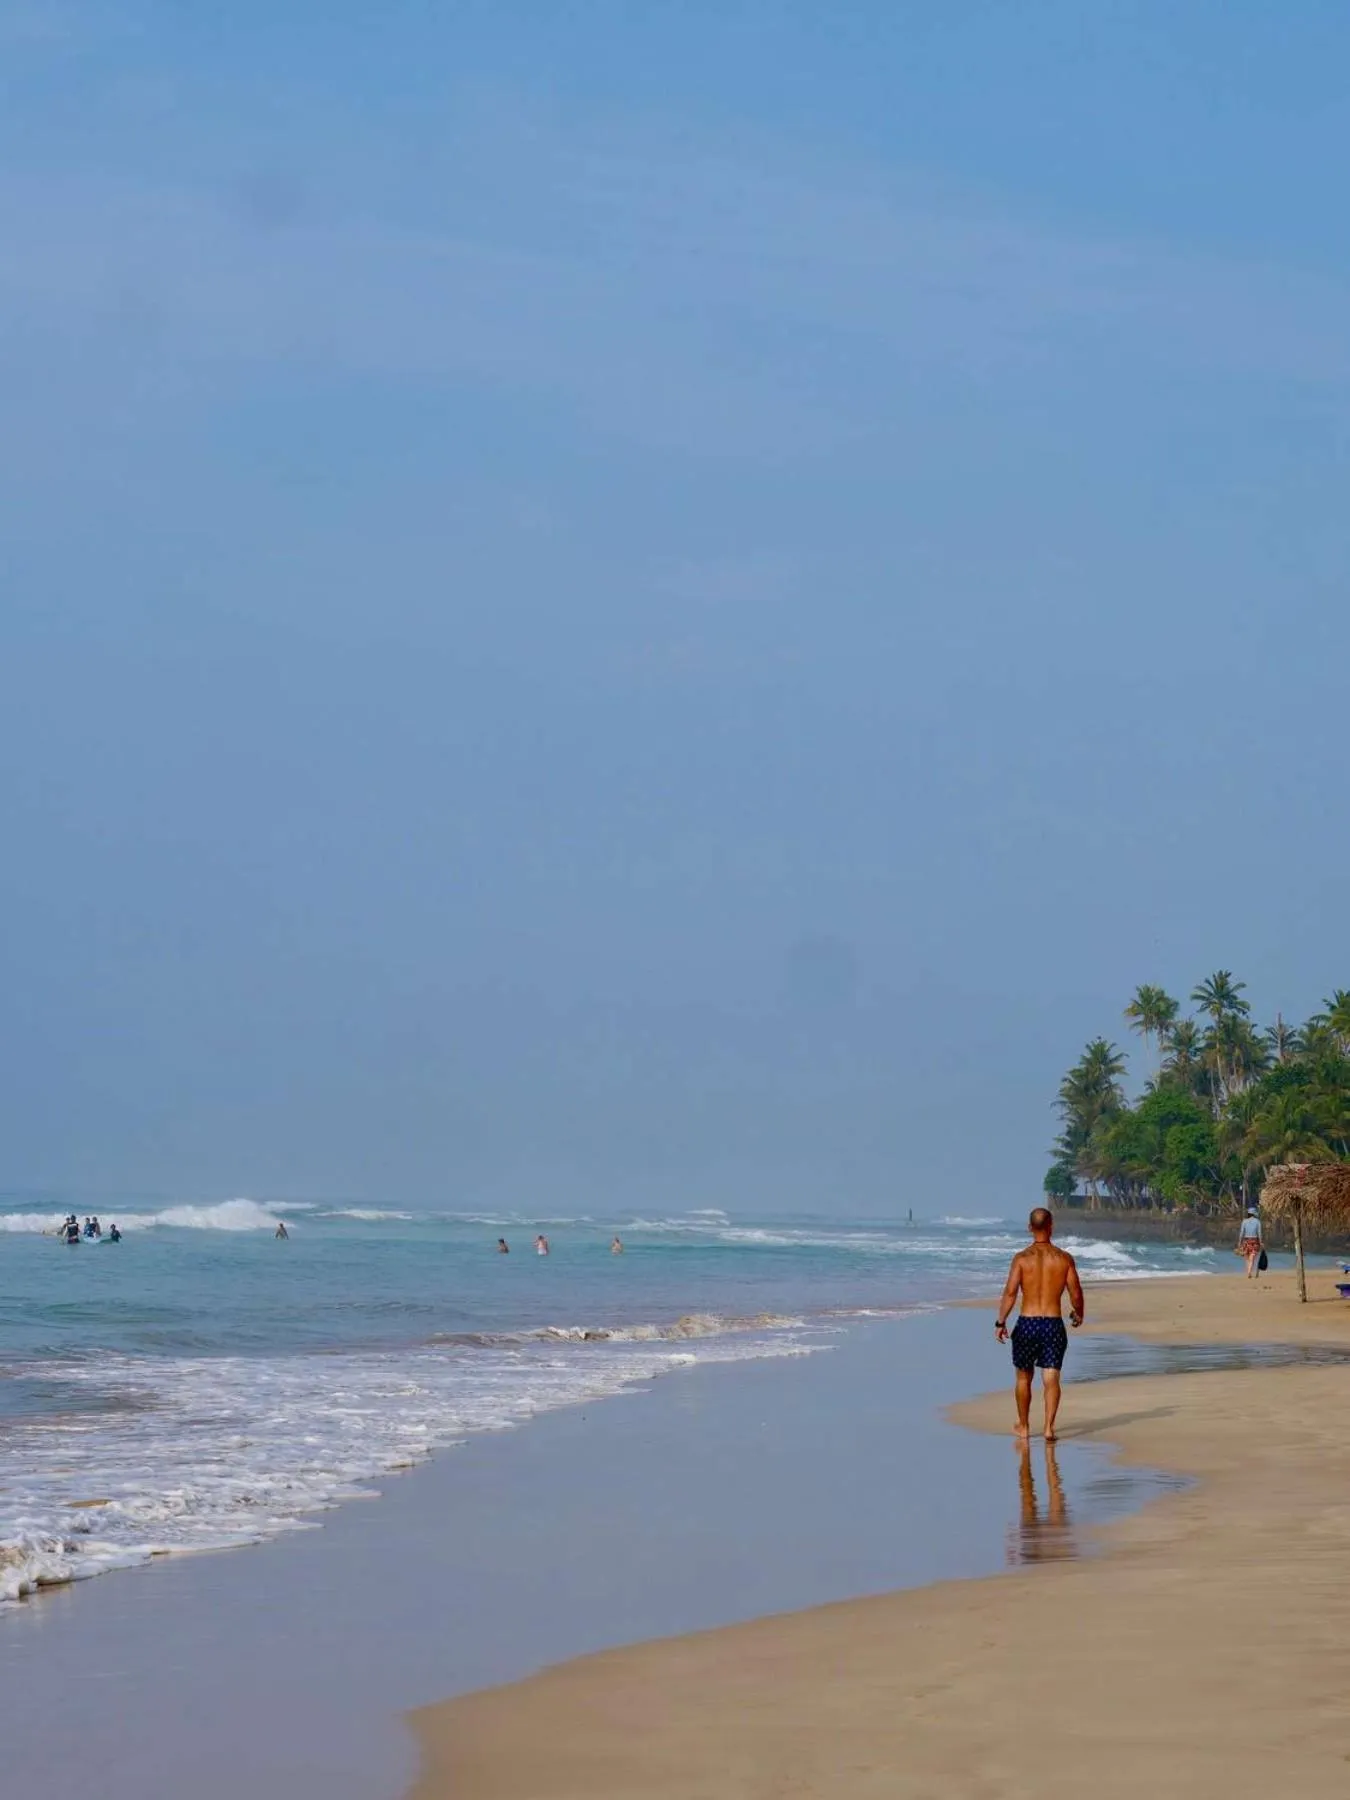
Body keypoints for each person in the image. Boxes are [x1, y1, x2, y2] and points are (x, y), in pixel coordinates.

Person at [995, 1207, 1084, 1442]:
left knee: (1023, 1378)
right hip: (1053, 1323)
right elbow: (1075, 1292)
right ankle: (1048, 1428)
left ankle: (1024, 1427)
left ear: (1029, 1228)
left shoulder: (1022, 1259)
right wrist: (1078, 1313)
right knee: (1051, 1377)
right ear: (1051, 1226)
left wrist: (1000, 1321)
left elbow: (1011, 1292)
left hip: (1027, 1323)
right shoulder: (1064, 1259)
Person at [1236, 1206, 1263, 1278]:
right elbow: (1259, 1233)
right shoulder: (1257, 1221)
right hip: (1254, 1240)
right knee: (1252, 1257)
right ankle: (1249, 1272)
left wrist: (1239, 1242)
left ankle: (1248, 1272)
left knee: (1246, 1257)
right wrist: (1261, 1242)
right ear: (1254, 1214)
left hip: (1246, 1240)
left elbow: (1241, 1232)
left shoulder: (1244, 1221)